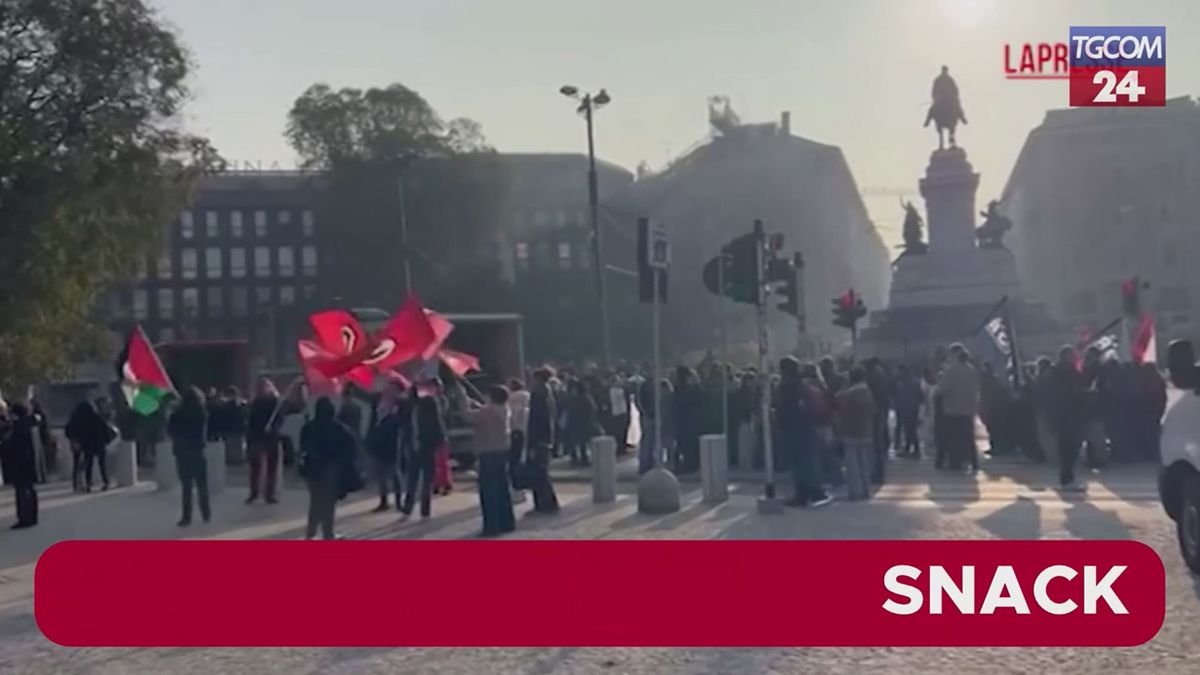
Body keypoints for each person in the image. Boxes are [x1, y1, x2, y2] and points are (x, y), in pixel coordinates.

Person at [776, 357, 832, 508]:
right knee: (807, 461)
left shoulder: (787, 385)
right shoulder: (803, 383)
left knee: (799, 464)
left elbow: (783, 408)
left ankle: (803, 495)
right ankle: (812, 492)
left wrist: (781, 424)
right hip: (807, 426)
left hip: (794, 428)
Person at [299, 397, 356, 540]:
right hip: (331, 470)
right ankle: (327, 533)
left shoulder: (308, 427)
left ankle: (311, 532)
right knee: (328, 504)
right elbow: (350, 448)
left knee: (315, 502)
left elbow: (302, 448)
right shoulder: (339, 428)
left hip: (312, 471)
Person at [465, 385, 517, 536]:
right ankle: (507, 522)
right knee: (502, 489)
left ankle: (491, 526)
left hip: (488, 453)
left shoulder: (486, 412)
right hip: (502, 451)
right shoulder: (504, 409)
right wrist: (477, 404)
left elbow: (467, 416)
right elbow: (485, 412)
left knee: (488, 491)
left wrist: (463, 398)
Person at [401, 378, 447, 519]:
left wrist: (439, 440)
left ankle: (422, 508)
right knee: (416, 477)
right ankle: (412, 507)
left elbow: (437, 423)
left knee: (423, 478)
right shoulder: (410, 405)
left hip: (425, 444)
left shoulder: (429, 403)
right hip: (416, 444)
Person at [1046, 345, 1088, 492]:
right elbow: (1069, 393)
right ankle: (1067, 478)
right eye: (1071, 355)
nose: (1074, 357)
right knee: (1069, 449)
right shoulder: (1065, 373)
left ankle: (1067, 477)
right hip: (1069, 416)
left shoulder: (1057, 372)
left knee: (1068, 449)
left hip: (1065, 416)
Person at [167, 387, 211, 526]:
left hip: (182, 451)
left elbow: (170, 431)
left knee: (186, 486)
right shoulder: (201, 412)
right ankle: (206, 513)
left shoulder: (178, 412)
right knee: (202, 484)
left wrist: (175, 411)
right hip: (197, 450)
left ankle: (187, 517)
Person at [937, 345, 980, 472]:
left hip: (953, 409)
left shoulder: (951, 370)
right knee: (969, 437)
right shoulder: (971, 370)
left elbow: (942, 389)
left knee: (954, 438)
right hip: (969, 409)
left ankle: (955, 463)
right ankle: (974, 461)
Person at [836, 367, 876, 501]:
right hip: (865, 431)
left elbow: (837, 401)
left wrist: (843, 386)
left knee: (852, 465)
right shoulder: (867, 391)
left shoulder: (849, 393)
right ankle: (866, 489)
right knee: (864, 463)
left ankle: (856, 491)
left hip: (851, 432)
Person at [525, 367, 560, 514]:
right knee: (543, 472)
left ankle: (543, 504)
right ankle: (549, 502)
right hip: (546, 438)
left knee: (539, 473)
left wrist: (532, 442)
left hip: (539, 439)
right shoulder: (548, 393)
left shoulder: (537, 395)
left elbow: (536, 420)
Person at [2, 404, 41, 528]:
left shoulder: (20, 427)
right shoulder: (31, 424)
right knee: (29, 489)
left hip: (21, 463)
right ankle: (32, 516)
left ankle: (25, 517)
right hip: (30, 463)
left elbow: (14, 445)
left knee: (22, 490)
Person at [245, 378, 284, 504]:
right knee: (256, 467)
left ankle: (269, 493)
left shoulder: (275, 403)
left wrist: (273, 427)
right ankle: (255, 492)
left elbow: (279, 419)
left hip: (270, 437)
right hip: (258, 437)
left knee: (271, 467)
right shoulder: (255, 403)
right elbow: (250, 421)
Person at [65, 400, 114, 492]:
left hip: (87, 445)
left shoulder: (77, 418)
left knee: (88, 465)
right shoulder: (97, 417)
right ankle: (105, 482)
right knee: (102, 464)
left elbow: (68, 431)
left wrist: (77, 440)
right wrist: (107, 440)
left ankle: (88, 484)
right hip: (99, 444)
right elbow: (105, 430)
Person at [892, 365, 923, 458]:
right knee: (911, 430)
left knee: (910, 430)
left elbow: (901, 396)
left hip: (907, 409)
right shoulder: (915, 382)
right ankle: (910, 448)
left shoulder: (904, 383)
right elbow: (921, 397)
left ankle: (914, 449)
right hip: (913, 408)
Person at [565, 378, 598, 466]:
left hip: (573, 422)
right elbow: (594, 409)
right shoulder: (587, 398)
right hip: (585, 422)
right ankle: (584, 458)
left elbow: (568, 410)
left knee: (574, 441)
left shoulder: (572, 398)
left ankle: (574, 457)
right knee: (583, 442)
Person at [218, 386, 248, 466]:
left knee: (233, 445)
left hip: (233, 428)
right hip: (235, 428)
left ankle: (234, 460)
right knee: (235, 445)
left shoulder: (228, 405)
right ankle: (236, 460)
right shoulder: (240, 404)